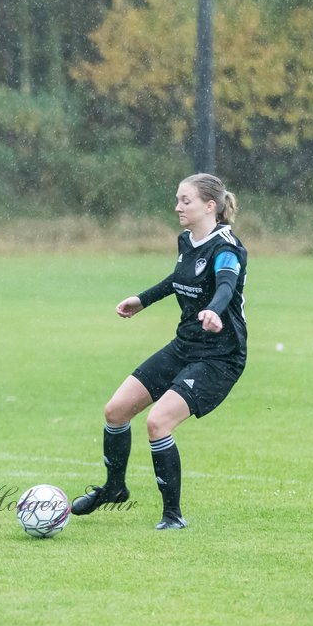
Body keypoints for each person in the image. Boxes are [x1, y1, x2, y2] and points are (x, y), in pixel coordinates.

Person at [71, 173, 247, 530]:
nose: (177, 207)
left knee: (158, 422)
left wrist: (214, 309)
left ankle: (173, 515)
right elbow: (176, 279)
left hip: (219, 357)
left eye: (186, 200)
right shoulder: (186, 241)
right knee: (116, 410)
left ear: (209, 206)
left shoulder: (226, 248)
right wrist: (142, 300)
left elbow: (227, 282)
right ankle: (115, 488)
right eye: (178, 199)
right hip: (185, 346)